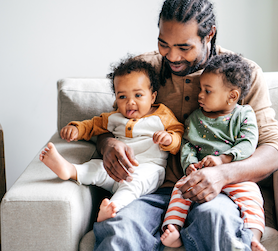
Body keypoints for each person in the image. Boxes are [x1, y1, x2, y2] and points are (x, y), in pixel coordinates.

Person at [94, 0, 278, 250]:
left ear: (209, 34)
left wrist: (222, 174)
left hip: (218, 191)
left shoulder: (242, 75)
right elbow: (106, 127)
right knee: (120, 231)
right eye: (163, 44)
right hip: (149, 189)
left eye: (183, 47)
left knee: (217, 222)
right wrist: (108, 144)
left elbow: (272, 148)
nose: (172, 56)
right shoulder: (143, 71)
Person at [39, 56, 184, 222]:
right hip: (115, 169)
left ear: (152, 97)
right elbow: (92, 125)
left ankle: (113, 207)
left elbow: (178, 132)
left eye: (138, 95)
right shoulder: (113, 117)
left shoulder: (162, 115)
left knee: (134, 183)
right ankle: (71, 170)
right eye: (122, 97)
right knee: (97, 167)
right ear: (116, 98)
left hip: (149, 169)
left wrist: (169, 139)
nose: (130, 103)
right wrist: (75, 129)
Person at [161, 53, 266, 251]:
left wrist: (224, 160)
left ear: (232, 96)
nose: (199, 95)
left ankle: (253, 238)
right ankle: (173, 228)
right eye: (201, 89)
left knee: (252, 198)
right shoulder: (195, 119)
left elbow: (248, 143)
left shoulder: (244, 115)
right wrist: (189, 164)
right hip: (201, 176)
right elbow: (188, 145)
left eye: (207, 91)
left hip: (236, 176)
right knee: (180, 190)